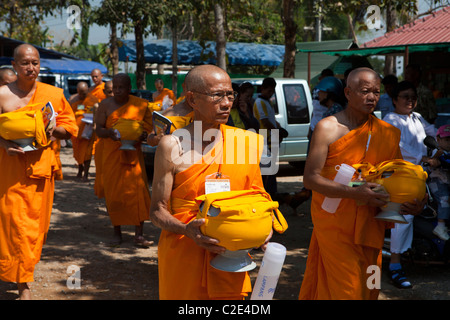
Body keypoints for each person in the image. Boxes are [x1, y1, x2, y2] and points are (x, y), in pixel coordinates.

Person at [299, 68, 425, 300]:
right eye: (365, 91)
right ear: (347, 92)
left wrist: (417, 203)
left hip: (371, 223)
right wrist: (355, 193)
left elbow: (398, 177)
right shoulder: (328, 128)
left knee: (370, 286)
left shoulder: (387, 132)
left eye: (376, 92)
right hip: (335, 223)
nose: (371, 97)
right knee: (348, 290)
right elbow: (310, 178)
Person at [149, 65, 269, 300]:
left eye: (230, 95)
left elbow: (258, 197)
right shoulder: (173, 145)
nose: (226, 103)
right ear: (192, 99)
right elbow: (156, 211)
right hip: (185, 252)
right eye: (217, 96)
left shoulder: (244, 143)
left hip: (231, 254)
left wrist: (262, 226)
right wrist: (186, 230)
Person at [0, 44, 78, 299]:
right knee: (11, 225)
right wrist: (5, 144)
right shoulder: (2, 94)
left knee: (33, 229)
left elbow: (69, 129)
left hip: (39, 169)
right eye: (25, 63)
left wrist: (51, 127)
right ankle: (22, 285)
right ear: (14, 65)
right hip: (9, 168)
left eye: (35, 63)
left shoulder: (52, 94)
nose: (31, 68)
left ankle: (23, 279)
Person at [382, 80, 436, 289]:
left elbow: (432, 133)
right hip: (400, 174)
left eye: (413, 96)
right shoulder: (390, 120)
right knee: (405, 211)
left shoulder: (417, 117)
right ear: (395, 99)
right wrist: (424, 157)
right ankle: (395, 263)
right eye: (405, 96)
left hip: (423, 172)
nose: (410, 100)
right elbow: (400, 147)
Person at [95, 73, 154, 247]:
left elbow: (150, 130)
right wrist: (109, 133)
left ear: (129, 89)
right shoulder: (105, 105)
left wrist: (144, 135)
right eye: (115, 88)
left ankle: (139, 234)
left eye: (122, 88)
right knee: (114, 195)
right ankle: (117, 232)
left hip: (133, 155)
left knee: (138, 193)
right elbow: (98, 130)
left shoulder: (141, 105)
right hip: (112, 154)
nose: (118, 91)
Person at [253, 77, 286, 197]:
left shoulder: (268, 101)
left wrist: (279, 128)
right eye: (268, 91)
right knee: (267, 170)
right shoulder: (259, 102)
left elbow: (272, 119)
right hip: (265, 140)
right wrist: (277, 132)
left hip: (272, 139)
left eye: (272, 91)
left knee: (272, 169)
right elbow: (265, 121)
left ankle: (272, 192)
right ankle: (268, 193)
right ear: (262, 89)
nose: (270, 93)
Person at [422, 124, 450, 241]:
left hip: (446, 180)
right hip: (436, 181)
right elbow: (430, 160)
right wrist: (434, 159)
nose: (449, 143)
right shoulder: (436, 151)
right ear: (438, 140)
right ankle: (441, 225)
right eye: (447, 140)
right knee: (445, 199)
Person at [69, 81, 99, 181]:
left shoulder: (93, 100)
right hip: (76, 132)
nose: (83, 95)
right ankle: (80, 169)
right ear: (77, 91)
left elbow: (97, 114)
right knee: (78, 152)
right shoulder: (72, 99)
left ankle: (85, 174)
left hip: (88, 130)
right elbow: (68, 113)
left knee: (87, 153)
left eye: (85, 93)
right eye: (81, 93)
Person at [93, 80, 114, 198]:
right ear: (104, 91)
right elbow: (96, 126)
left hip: (117, 144)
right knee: (103, 172)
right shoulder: (99, 105)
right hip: (102, 142)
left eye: (114, 91)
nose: (112, 94)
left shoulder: (122, 105)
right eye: (109, 92)